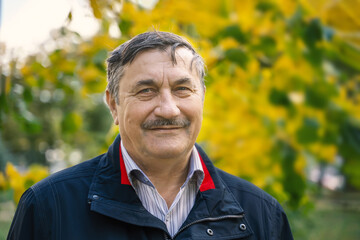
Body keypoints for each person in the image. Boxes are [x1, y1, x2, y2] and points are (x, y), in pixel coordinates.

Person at [7, 31, 293, 240]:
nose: (168, 109)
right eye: (146, 91)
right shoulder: (48, 207)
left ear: (202, 99)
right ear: (114, 105)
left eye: (183, 89)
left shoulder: (262, 215)